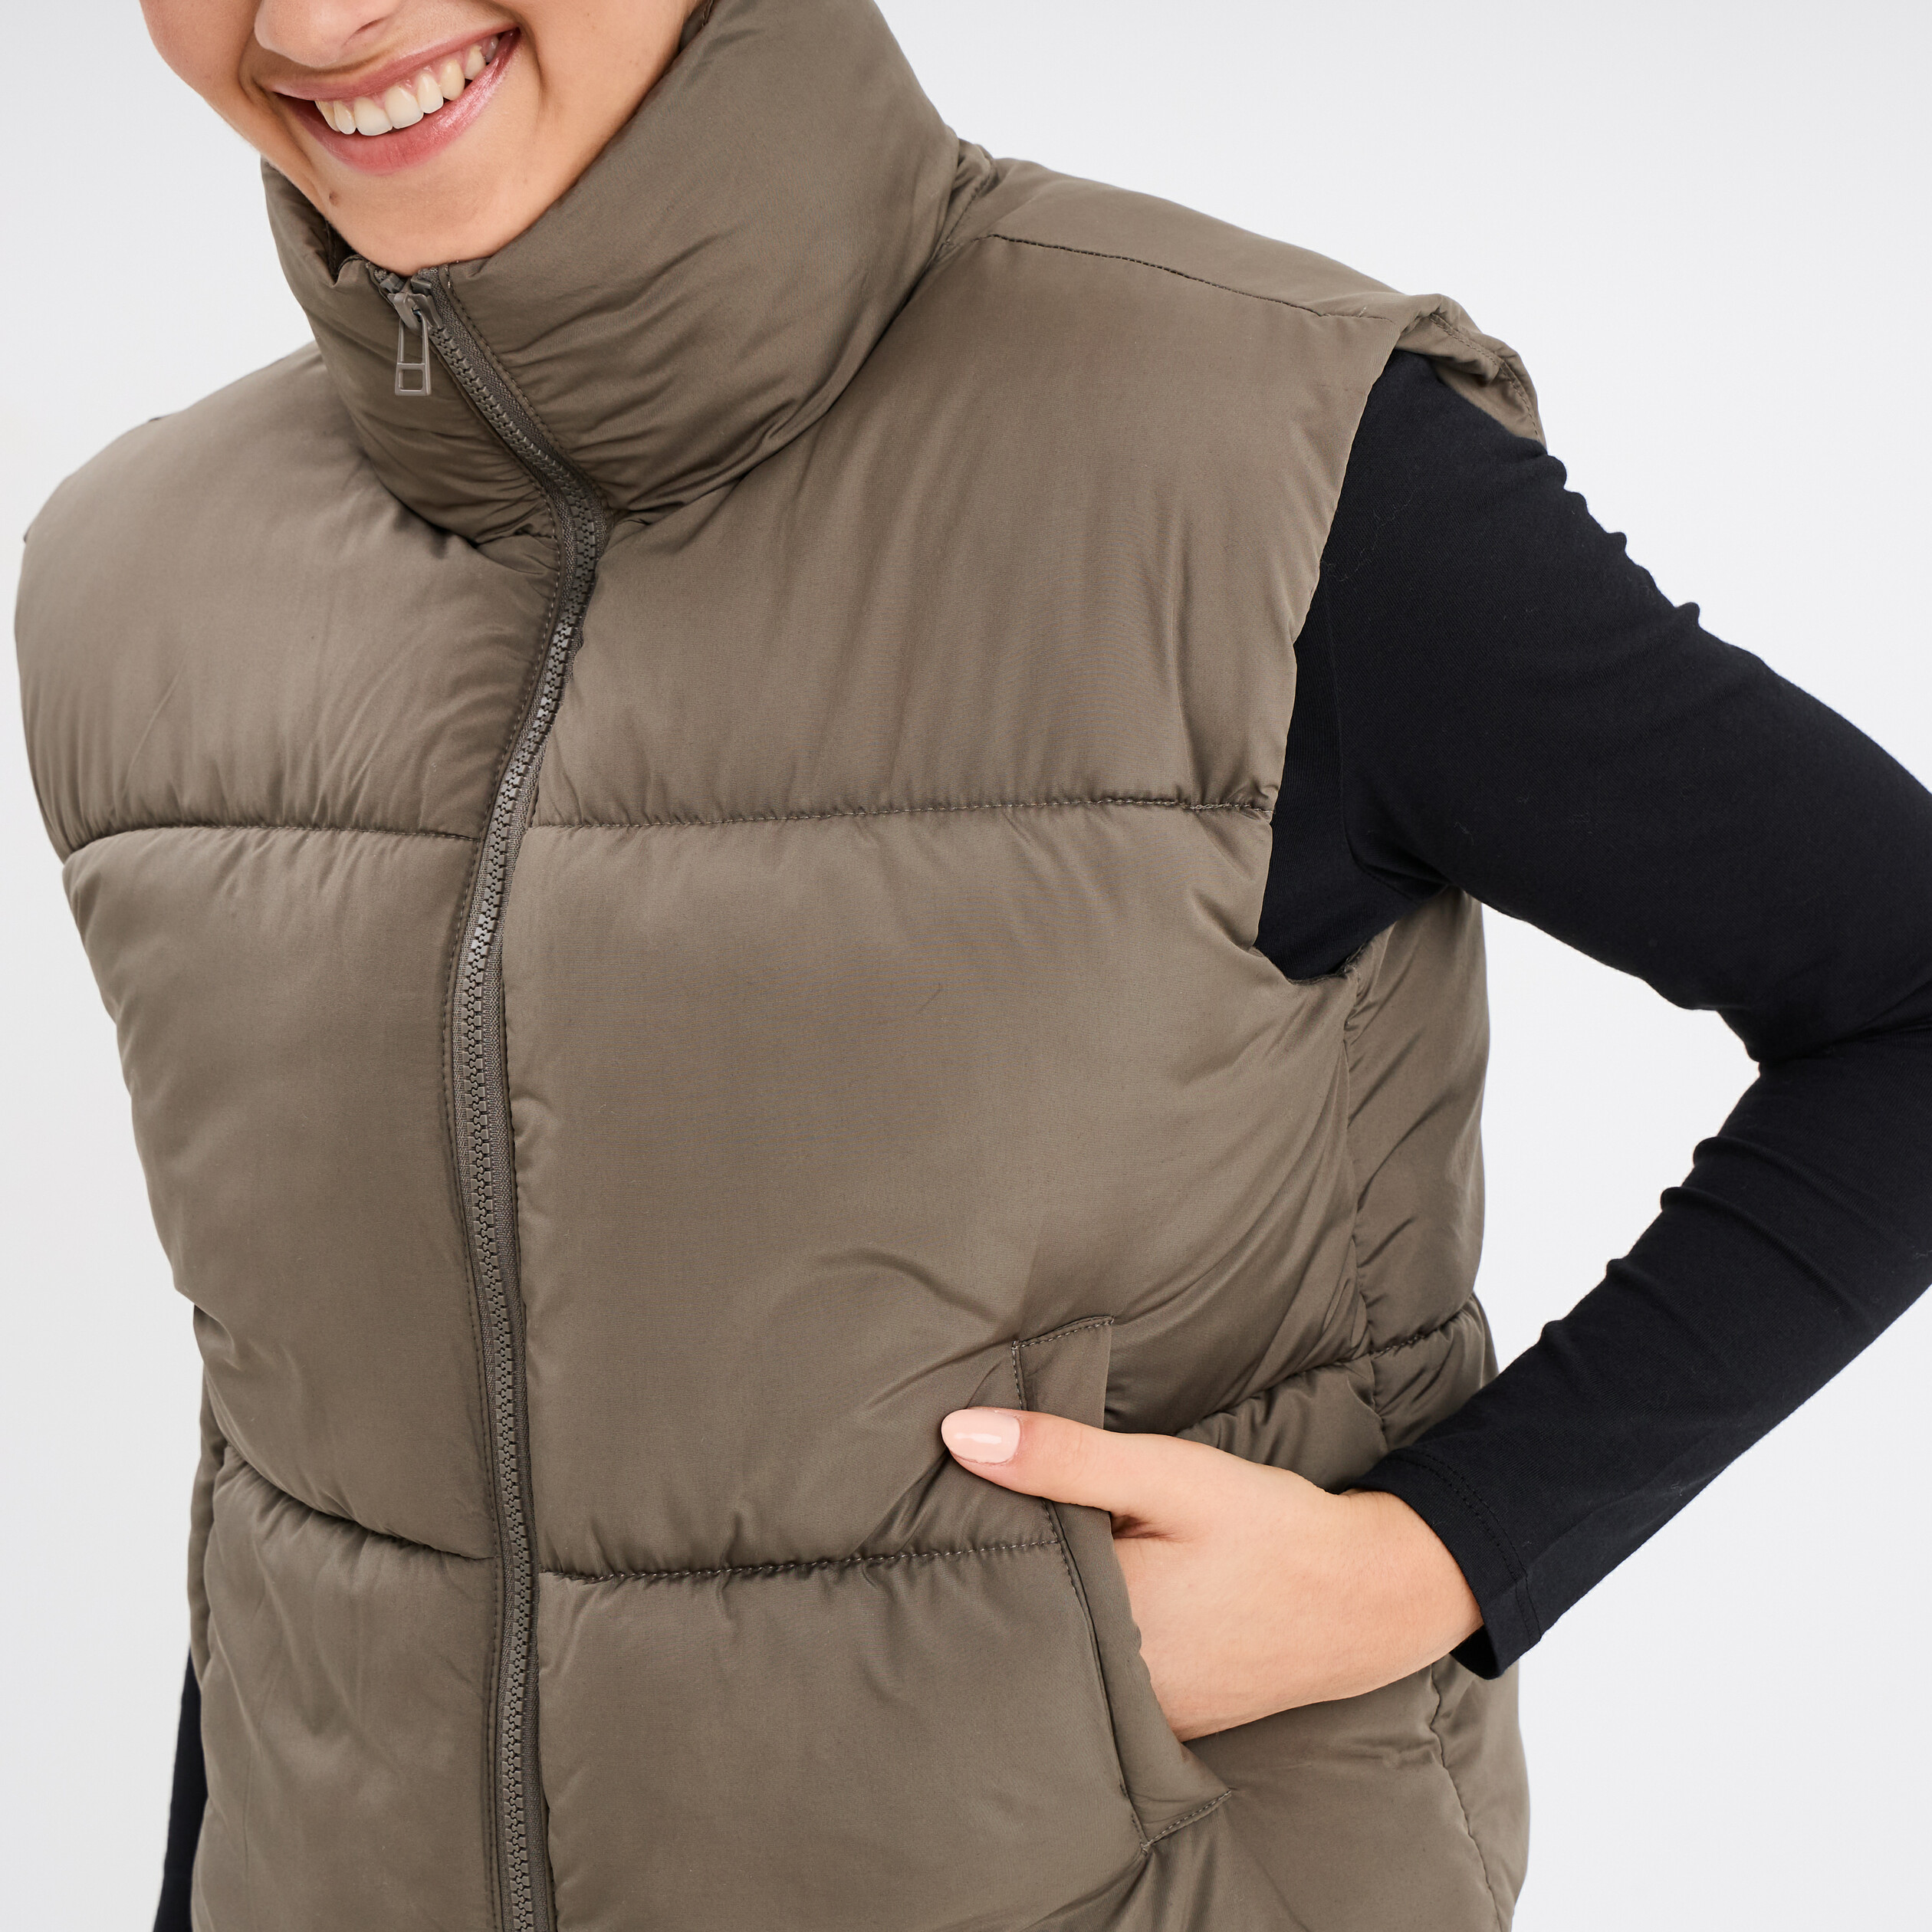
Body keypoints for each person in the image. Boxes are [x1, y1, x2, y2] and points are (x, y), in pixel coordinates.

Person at [15, 0, 1930, 1926]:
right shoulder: (136, 578)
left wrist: (1437, 1556)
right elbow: (306, 1469)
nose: (319, 21)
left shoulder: (1256, 461)